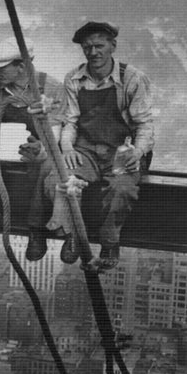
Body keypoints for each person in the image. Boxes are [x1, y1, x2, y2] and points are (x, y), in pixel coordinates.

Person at [40, 21, 158, 269]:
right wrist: (68, 148)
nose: (93, 53)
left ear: (112, 46)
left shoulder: (132, 79)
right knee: (58, 179)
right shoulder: (74, 78)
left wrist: (137, 152)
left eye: (99, 46)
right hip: (87, 149)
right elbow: (70, 121)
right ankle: (72, 233)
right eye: (87, 48)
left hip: (123, 151)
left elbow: (145, 125)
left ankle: (109, 241)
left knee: (121, 190)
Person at [0, 43, 62, 260]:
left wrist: (40, 149)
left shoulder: (51, 87)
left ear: (22, 66)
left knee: (44, 165)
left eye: (1, 68)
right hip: (5, 145)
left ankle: (36, 228)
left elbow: (55, 133)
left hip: (38, 148)